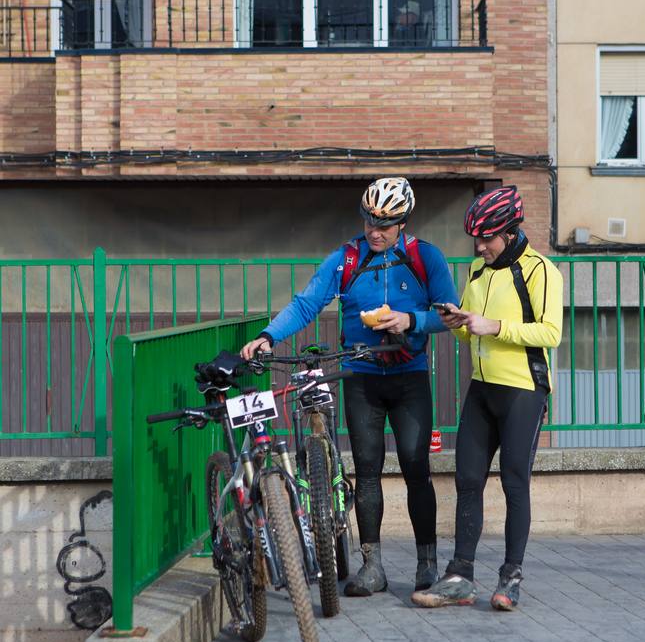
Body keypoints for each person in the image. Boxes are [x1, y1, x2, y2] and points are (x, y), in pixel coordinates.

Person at [241, 177, 459, 597]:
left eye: (385, 224)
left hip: (410, 376)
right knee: (368, 470)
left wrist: (410, 321)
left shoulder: (424, 257)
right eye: (368, 222)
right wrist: (269, 336)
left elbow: (448, 314)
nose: (374, 232)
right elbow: (307, 303)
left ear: (403, 222)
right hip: (362, 377)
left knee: (417, 470)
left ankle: (426, 564)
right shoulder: (347, 258)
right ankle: (372, 566)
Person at [411, 186, 563, 610]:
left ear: (510, 232)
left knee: (515, 483)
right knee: (467, 481)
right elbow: (469, 330)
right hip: (482, 388)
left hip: (523, 390)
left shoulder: (541, 270)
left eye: (487, 238)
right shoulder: (478, 270)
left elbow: (550, 333)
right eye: (475, 239)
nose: (479, 246)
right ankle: (460, 575)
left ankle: (510, 577)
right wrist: (456, 322)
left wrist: (493, 326)